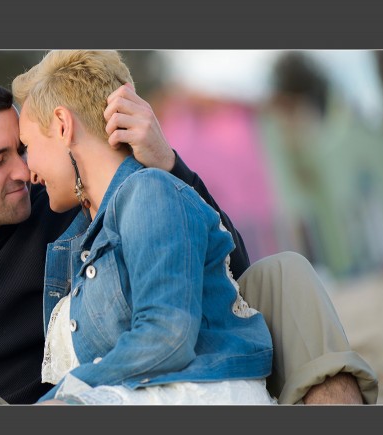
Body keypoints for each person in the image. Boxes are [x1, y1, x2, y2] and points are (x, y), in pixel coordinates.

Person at [0, 73, 377, 405]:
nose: (25, 171)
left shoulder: (64, 202)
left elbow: (226, 275)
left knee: (283, 273)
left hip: (120, 398)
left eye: (23, 149)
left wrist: (166, 163)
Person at [16, 50, 276, 404]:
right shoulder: (92, 228)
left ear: (62, 125)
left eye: (28, 146)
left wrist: (61, 396)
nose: (27, 172)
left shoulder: (149, 190)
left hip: (194, 395)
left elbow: (167, 336)